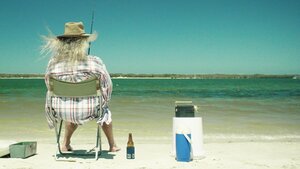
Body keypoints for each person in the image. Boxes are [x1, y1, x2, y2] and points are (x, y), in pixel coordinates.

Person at [42, 22, 120, 152]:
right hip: (90, 110)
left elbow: (49, 86)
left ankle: (64, 144)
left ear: (62, 43)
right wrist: (103, 103)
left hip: (62, 111)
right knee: (104, 112)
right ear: (83, 42)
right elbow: (107, 86)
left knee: (71, 104)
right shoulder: (94, 61)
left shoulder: (53, 63)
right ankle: (112, 145)